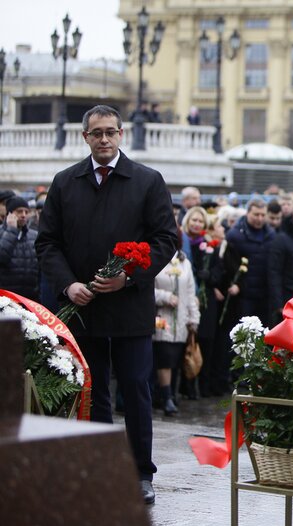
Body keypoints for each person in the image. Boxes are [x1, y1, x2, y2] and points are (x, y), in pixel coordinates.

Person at [35, 104, 177, 504]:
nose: (103, 139)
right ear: (85, 137)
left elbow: (165, 239)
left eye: (110, 132)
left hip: (129, 306)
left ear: (121, 134)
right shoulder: (65, 182)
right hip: (83, 308)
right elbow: (47, 243)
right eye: (96, 133)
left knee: (135, 388)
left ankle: (140, 473)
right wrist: (68, 285)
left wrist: (129, 277)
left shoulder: (147, 181)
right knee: (92, 391)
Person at [182, 206, 223, 398]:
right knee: (188, 340)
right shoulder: (182, 243)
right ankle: (187, 385)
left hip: (205, 299)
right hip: (187, 297)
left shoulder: (209, 246)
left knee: (206, 342)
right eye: (194, 220)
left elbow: (219, 272)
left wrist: (210, 276)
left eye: (200, 221)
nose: (197, 224)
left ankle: (203, 385)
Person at [152, 250, 200, 415]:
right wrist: (165, 297)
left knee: (176, 359)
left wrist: (194, 318)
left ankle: (171, 393)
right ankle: (166, 398)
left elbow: (190, 293)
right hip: (161, 317)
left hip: (181, 319)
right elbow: (147, 289)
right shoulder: (156, 258)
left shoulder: (185, 262)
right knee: (164, 358)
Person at [225, 198, 275, 324]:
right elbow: (228, 265)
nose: (259, 218)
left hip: (265, 294)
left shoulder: (271, 235)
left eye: (263, 215)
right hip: (243, 295)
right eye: (256, 214)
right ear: (248, 213)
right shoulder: (234, 235)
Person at [0, 196, 40, 301]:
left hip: (30, 300)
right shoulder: (1, 233)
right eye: (19, 211)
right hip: (6, 298)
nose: (24, 215)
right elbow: (2, 258)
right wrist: (11, 230)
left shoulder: (34, 235)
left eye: (26, 212)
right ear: (9, 214)